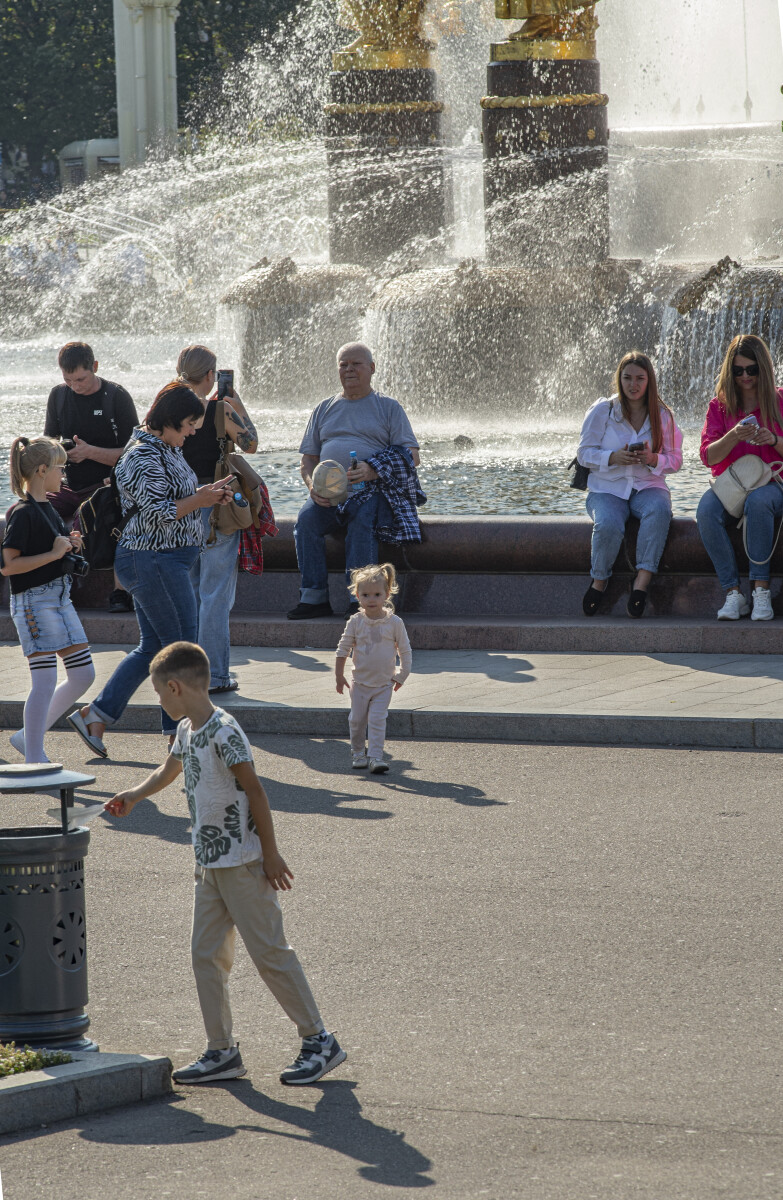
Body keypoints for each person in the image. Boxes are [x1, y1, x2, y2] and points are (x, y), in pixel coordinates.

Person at [105, 640, 347, 1086]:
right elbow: (169, 771)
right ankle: (222, 1052)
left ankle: (319, 1040)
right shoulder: (187, 732)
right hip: (209, 862)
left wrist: (270, 854)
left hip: (243, 862)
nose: (159, 700)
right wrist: (134, 795)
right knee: (206, 956)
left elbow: (256, 791)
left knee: (270, 953)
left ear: (175, 687)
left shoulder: (224, 730)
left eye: (159, 693)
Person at [67, 384, 234, 757]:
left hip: (161, 559)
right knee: (181, 649)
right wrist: (202, 499)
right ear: (171, 419)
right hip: (153, 559)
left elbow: (172, 498)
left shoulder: (165, 448)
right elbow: (160, 511)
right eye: (190, 424)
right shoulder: (142, 455)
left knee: (155, 648)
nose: (193, 432)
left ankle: (97, 714)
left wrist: (206, 492)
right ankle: (181, 736)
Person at [288, 342, 420, 621]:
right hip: (328, 495)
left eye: (356, 364)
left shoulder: (388, 407)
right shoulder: (323, 408)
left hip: (371, 492)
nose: (348, 369)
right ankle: (313, 598)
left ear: (371, 369)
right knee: (305, 523)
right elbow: (307, 460)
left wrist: (372, 470)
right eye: (343, 364)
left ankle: (358, 600)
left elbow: (412, 455)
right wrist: (312, 486)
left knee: (362, 522)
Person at [1, 438, 95, 763]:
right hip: (34, 603)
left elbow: (49, 551)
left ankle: (29, 738)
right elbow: (8, 565)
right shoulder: (23, 513)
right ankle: (34, 757)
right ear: (42, 470)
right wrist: (54, 553)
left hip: (58, 598)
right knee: (44, 679)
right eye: (60, 467)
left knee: (83, 674)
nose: (64, 474)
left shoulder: (48, 509)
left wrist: (70, 546)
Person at [177, 345, 259, 694]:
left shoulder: (164, 406)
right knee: (215, 594)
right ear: (211, 376)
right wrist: (235, 404)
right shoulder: (218, 409)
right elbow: (251, 443)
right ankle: (216, 676)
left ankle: (186, 674)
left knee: (190, 591)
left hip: (179, 505)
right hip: (214, 504)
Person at [577, 351, 683, 618]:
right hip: (607, 488)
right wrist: (612, 457)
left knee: (659, 511)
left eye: (639, 378)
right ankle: (599, 581)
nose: (633, 385)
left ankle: (641, 584)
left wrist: (652, 458)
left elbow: (676, 460)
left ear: (649, 381)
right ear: (619, 379)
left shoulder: (663, 416)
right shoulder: (603, 410)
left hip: (648, 486)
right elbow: (584, 453)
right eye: (627, 378)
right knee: (609, 525)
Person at [43, 341, 139, 613]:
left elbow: (134, 454)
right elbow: (47, 447)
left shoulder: (116, 397)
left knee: (93, 518)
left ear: (95, 367)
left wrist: (89, 453)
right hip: (66, 484)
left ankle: (120, 592)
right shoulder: (59, 396)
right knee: (26, 511)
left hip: (106, 485)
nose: (75, 386)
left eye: (81, 379)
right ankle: (44, 587)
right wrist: (62, 452)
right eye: (68, 380)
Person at [696, 334, 783, 621]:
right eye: (738, 370)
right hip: (733, 486)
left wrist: (773, 440)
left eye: (752, 369)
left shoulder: (780, 401)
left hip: (772, 484)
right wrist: (733, 436)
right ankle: (733, 593)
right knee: (706, 510)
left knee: (758, 501)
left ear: (764, 369)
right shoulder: (718, 407)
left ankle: (761, 590)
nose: (745, 376)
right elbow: (708, 457)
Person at [335, 563, 412, 774]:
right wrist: (339, 675)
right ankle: (358, 752)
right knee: (357, 720)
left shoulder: (394, 623)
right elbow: (343, 649)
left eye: (377, 594)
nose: (371, 599)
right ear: (357, 596)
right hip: (359, 684)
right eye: (365, 594)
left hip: (384, 684)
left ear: (386, 594)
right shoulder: (355, 622)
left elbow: (405, 651)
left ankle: (376, 757)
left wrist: (402, 675)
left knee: (378, 719)